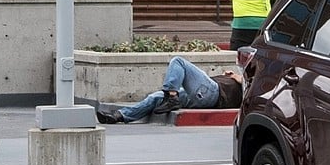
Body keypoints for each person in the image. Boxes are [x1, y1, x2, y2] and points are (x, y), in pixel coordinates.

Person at [95, 56, 242, 124]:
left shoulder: (251, 80)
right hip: (202, 96)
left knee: (178, 61)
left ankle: (171, 96)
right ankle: (119, 116)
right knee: (156, 97)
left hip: (215, 94)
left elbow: (251, 83)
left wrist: (237, 77)